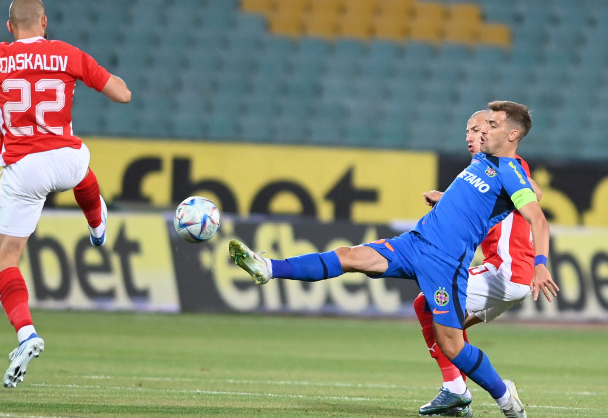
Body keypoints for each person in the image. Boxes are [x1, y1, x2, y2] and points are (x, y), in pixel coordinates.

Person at [229, 101, 559, 418]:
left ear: (513, 135)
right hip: (414, 244)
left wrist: (540, 263)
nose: (482, 131)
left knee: (452, 344)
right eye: (481, 124)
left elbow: (538, 217)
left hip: (445, 265)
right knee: (350, 256)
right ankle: (268, 268)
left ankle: (505, 398)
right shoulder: (481, 161)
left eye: (492, 125)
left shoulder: (510, 170)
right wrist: (445, 200)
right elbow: (475, 201)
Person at [0, 0, 131, 388]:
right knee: (82, 169)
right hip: (68, 157)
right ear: (44, 22)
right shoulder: (66, 53)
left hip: (24, 169)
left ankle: (26, 333)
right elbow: (122, 94)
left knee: (4, 259)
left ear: (9, 27)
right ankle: (97, 223)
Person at [415, 110, 542, 417]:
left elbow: (535, 192)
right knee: (449, 330)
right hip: (511, 277)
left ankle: (463, 391)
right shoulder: (485, 169)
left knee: (428, 306)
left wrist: (541, 261)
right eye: (467, 131)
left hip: (504, 270)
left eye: (477, 129)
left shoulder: (507, 164)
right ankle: (457, 392)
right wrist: (446, 197)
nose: (470, 136)